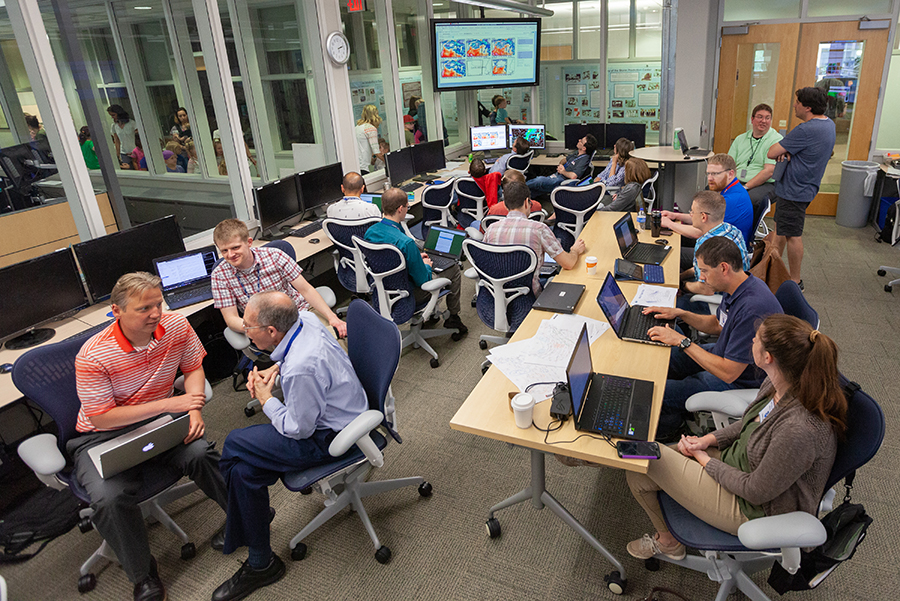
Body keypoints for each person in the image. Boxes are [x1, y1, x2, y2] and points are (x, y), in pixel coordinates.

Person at [625, 314, 846, 561]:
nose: (752, 340)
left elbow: (755, 491)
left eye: (757, 339)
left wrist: (705, 460)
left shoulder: (798, 429)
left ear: (767, 357)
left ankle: (667, 542)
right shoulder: (781, 382)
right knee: (638, 464)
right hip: (739, 464)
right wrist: (708, 440)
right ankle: (669, 540)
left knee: (648, 456)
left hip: (752, 507)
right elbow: (751, 421)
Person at [70, 272, 228, 601]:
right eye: (144, 308)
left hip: (161, 421)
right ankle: (143, 574)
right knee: (108, 498)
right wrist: (173, 402)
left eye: (158, 303)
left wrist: (194, 410)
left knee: (200, 452)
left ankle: (244, 514)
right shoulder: (93, 355)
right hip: (103, 435)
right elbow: (101, 416)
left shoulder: (176, 326)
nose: (156, 313)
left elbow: (193, 368)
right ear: (116, 311)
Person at [214, 291, 367, 601]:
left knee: (233, 444)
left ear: (271, 332)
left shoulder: (301, 367)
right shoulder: (306, 319)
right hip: (343, 410)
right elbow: (294, 357)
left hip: (330, 439)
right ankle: (260, 562)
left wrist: (266, 399)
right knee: (244, 472)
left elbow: (298, 429)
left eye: (248, 327)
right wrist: (275, 369)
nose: (245, 331)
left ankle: (242, 520)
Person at [642, 237, 782, 440]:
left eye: (705, 271)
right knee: (660, 359)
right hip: (722, 354)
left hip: (738, 379)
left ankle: (672, 430)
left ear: (724, 268)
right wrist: (680, 313)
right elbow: (718, 324)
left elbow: (728, 373)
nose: (703, 278)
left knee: (655, 393)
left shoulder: (753, 308)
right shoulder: (737, 287)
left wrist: (683, 341)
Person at [211, 219, 347, 337]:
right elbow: (231, 319)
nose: (230, 254)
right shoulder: (219, 276)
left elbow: (306, 290)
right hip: (265, 329)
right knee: (307, 349)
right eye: (224, 251)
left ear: (249, 242)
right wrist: (259, 329)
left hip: (297, 311)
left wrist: (332, 317)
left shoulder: (275, 256)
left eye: (235, 247)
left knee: (335, 337)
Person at [364, 188, 467, 335]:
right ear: (400, 209)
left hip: (383, 290)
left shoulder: (370, 232)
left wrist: (417, 258)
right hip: (410, 293)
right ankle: (453, 318)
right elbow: (422, 280)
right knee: (454, 269)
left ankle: (431, 314)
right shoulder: (406, 243)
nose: (407, 209)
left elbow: (389, 259)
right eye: (407, 207)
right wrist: (426, 266)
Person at [767, 87, 836, 289]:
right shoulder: (828, 124)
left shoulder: (805, 129)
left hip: (794, 191)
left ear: (807, 107)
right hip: (804, 187)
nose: (794, 106)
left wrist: (787, 152)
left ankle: (795, 281)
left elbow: (772, 152)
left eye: (797, 102)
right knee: (781, 229)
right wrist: (791, 153)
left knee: (793, 235)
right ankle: (773, 270)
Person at [484, 180, 586, 297]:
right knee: (554, 279)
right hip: (527, 298)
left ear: (506, 205)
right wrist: (575, 250)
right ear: (527, 202)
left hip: (493, 297)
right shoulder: (539, 229)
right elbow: (568, 264)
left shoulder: (491, 229)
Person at [660, 154, 754, 246]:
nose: (709, 178)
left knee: (671, 252)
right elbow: (702, 219)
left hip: (722, 253)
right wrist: (675, 216)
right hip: (718, 243)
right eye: (708, 173)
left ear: (730, 174)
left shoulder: (731, 200)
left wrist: (669, 224)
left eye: (715, 174)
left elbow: (700, 232)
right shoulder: (730, 189)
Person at [677, 190, 750, 295]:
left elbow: (705, 289)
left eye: (692, 211)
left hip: (719, 299)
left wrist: (682, 286)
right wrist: (680, 277)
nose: (691, 215)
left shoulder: (705, 244)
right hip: (741, 291)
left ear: (703, 217)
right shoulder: (732, 230)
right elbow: (701, 268)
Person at [727, 103, 782, 207]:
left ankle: (743, 223)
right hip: (738, 180)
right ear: (752, 119)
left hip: (766, 183)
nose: (763, 121)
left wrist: (745, 187)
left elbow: (769, 172)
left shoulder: (776, 140)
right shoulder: (740, 139)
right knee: (711, 192)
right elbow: (728, 164)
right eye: (760, 117)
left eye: (767, 118)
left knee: (748, 199)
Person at [527, 135, 597, 197]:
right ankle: (522, 198)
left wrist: (563, 171)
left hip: (563, 180)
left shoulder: (584, 160)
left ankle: (519, 188)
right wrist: (560, 165)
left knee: (539, 180)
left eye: (581, 141)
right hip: (558, 175)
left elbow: (573, 176)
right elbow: (564, 160)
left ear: (584, 148)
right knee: (536, 189)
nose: (579, 140)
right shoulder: (577, 153)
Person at [355, 104, 381, 173]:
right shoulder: (371, 129)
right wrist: (387, 162)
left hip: (357, 164)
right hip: (364, 166)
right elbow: (376, 152)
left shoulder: (357, 127)